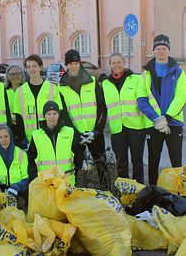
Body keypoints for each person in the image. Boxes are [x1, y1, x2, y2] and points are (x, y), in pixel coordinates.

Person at [137, 34, 186, 185]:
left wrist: (166, 118)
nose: (161, 51)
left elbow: (181, 97)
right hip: (153, 124)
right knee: (153, 160)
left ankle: (179, 191)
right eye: (158, 48)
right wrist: (157, 119)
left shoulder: (178, 72)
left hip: (173, 123)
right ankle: (153, 190)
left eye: (164, 48)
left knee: (176, 160)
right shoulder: (145, 74)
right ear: (154, 51)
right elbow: (142, 100)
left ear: (168, 50)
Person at [57, 49, 108, 184]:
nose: (73, 66)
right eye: (70, 64)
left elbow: (102, 108)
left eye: (76, 63)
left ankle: (106, 190)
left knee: (101, 165)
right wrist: (76, 135)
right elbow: (63, 115)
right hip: (75, 135)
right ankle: (76, 193)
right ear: (66, 65)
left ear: (80, 63)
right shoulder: (60, 87)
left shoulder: (92, 81)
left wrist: (97, 130)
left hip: (94, 133)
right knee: (76, 167)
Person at [100, 52, 150, 184]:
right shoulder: (105, 83)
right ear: (110, 65)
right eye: (113, 63)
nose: (116, 65)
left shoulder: (136, 79)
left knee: (137, 161)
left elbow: (145, 101)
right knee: (121, 163)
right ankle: (125, 190)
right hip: (117, 129)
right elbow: (103, 107)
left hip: (136, 127)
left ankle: (139, 189)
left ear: (124, 63)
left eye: (119, 62)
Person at [28, 101, 83, 185]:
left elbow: (78, 153)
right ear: (44, 116)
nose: (52, 117)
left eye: (54, 113)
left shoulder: (70, 132)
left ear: (58, 115)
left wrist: (83, 163)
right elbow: (31, 160)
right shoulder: (36, 136)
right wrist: (34, 180)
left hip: (66, 182)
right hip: (46, 183)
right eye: (49, 114)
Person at [13, 54, 62, 148]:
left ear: (40, 67)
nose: (31, 69)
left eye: (34, 66)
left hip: (49, 137)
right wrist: (23, 139)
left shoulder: (52, 88)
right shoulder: (20, 92)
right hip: (29, 139)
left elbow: (59, 113)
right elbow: (19, 118)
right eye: (28, 67)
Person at [0, 124, 30, 210]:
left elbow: (26, 179)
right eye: (0, 137)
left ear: (11, 137)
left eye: (6, 136)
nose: (4, 140)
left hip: (17, 191)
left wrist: (15, 188)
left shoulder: (21, 153)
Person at [4, 64, 25, 144]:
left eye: (18, 73)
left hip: (25, 127)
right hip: (9, 127)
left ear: (22, 75)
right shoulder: (4, 92)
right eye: (11, 74)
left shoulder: (27, 90)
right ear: (7, 77)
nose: (15, 76)